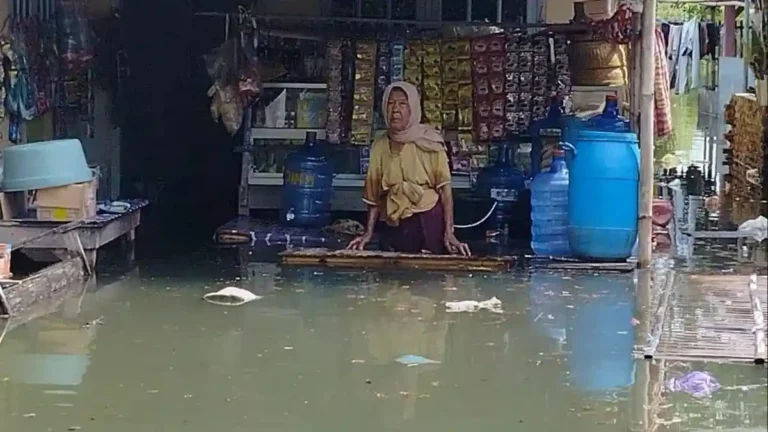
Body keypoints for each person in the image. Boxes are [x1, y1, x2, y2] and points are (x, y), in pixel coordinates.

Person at [347, 82, 470, 256]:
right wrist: (368, 232)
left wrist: (450, 232)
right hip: (393, 221)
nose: (395, 110)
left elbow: (445, 191)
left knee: (427, 278)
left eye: (402, 104)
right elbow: (373, 197)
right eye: (390, 103)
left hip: (428, 221)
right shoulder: (380, 145)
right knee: (395, 276)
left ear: (413, 108)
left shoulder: (430, 141)